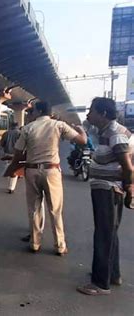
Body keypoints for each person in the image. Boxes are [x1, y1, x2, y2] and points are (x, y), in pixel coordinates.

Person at [5, 101, 87, 255]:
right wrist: (81, 130)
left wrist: (11, 169)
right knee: (55, 209)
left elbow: (18, 154)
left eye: (32, 110)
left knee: (34, 208)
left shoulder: (28, 128)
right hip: (52, 171)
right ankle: (60, 246)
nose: (31, 113)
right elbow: (82, 141)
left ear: (39, 111)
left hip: (32, 171)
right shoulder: (59, 125)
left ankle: (35, 243)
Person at [77, 97, 133, 295]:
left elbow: (127, 166)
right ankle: (112, 274)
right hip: (105, 189)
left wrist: (130, 188)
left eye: (92, 110)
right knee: (110, 233)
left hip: (109, 190)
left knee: (103, 234)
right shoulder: (104, 131)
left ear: (103, 114)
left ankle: (100, 284)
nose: (88, 114)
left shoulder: (115, 134)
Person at [0, 122, 21, 193]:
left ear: (11, 126)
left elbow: (2, 143)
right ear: (17, 126)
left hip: (7, 153)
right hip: (16, 153)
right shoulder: (19, 133)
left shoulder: (6, 133)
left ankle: (9, 184)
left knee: (8, 168)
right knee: (14, 170)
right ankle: (11, 187)